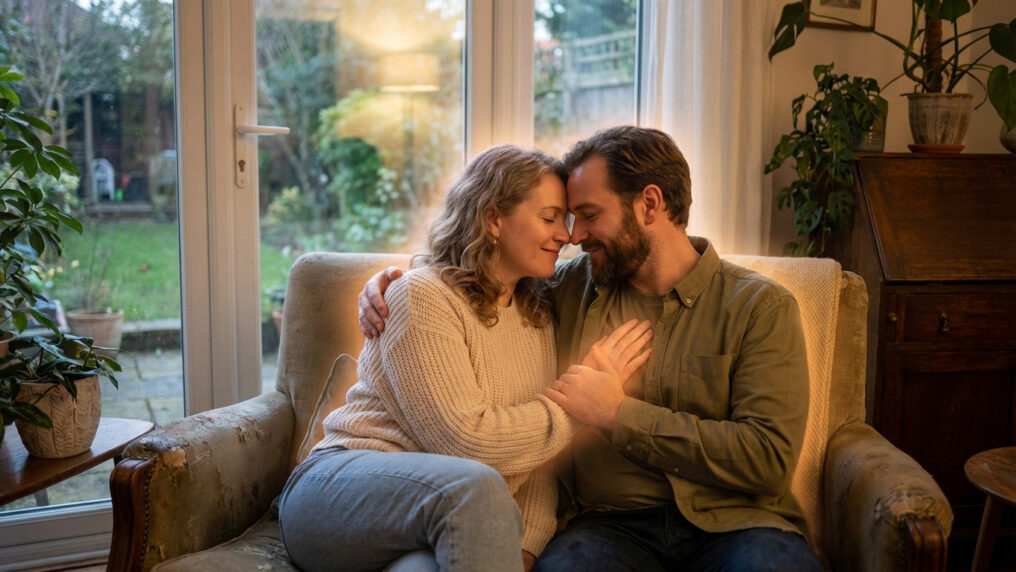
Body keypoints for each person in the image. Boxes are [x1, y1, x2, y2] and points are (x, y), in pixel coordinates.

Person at [359, 126, 824, 571]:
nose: (574, 235)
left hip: (739, 524)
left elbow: (768, 460)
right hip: (606, 525)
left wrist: (617, 415)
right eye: (567, 218)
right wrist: (392, 283)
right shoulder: (563, 289)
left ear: (650, 204)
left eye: (589, 214)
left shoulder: (760, 307)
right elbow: (480, 278)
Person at [279, 144, 652, 572]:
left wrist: (526, 546)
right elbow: (464, 444)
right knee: (474, 486)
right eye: (549, 218)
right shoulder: (422, 296)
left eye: (565, 221)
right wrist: (580, 407)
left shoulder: (539, 314)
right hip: (341, 491)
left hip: (443, 519)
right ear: (493, 218)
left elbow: (536, 459)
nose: (566, 235)